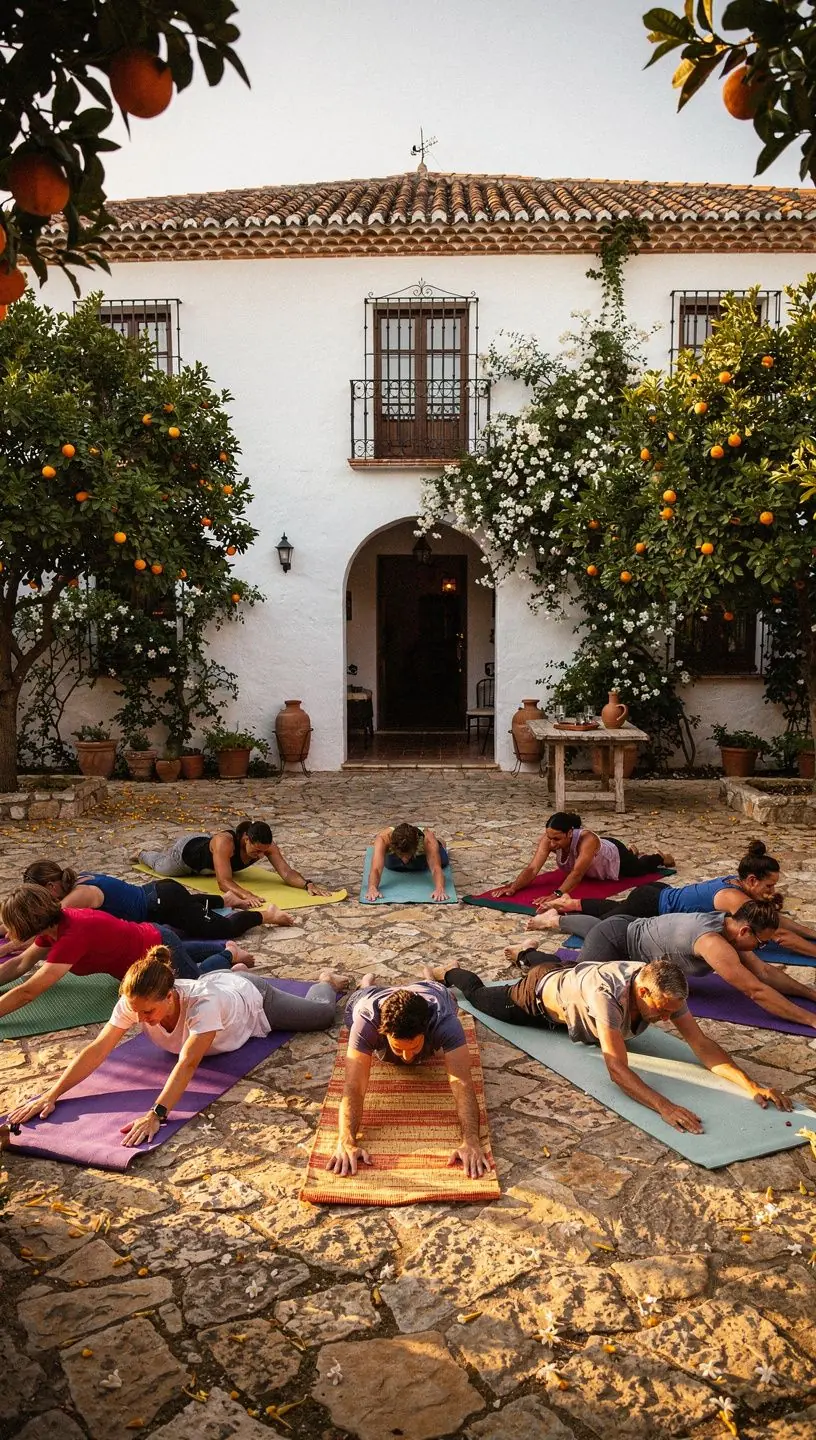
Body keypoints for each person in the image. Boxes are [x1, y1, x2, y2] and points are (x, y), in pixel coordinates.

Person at [6, 947, 350, 1147]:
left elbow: (188, 1063)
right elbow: (99, 1048)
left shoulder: (202, 1006)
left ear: (170, 997)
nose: (141, 1020)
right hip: (219, 984)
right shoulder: (134, 1002)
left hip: (253, 999)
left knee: (321, 1015)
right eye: (136, 1012)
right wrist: (51, 1094)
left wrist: (157, 1114)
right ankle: (235, 966)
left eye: (149, 1012)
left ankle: (324, 982)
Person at [428, 958, 791, 1134]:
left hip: (571, 975)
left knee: (557, 969)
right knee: (477, 996)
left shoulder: (666, 991)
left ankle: (528, 954)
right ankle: (448, 972)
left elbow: (701, 1043)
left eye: (671, 1012)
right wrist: (663, 1106)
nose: (666, 1020)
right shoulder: (608, 996)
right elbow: (616, 1069)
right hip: (533, 1000)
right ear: (642, 991)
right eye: (662, 1011)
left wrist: (750, 1085)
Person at [511, 900, 816, 1032]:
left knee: (602, 927)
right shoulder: (714, 943)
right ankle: (526, 956)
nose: (759, 950)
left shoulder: (731, 929)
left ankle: (556, 922)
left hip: (628, 929)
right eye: (760, 944)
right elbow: (756, 991)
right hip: (619, 942)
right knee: (573, 983)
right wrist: (810, 1020)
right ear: (745, 931)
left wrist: (811, 996)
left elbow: (764, 972)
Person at [0, 884, 251, 1025]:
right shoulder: (53, 930)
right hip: (148, 946)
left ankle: (229, 954)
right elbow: (20, 963)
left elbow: (28, 992)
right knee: (182, 953)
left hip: (155, 948)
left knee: (196, 988)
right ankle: (222, 947)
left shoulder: (72, 934)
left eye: (11, 925)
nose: (8, 932)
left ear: (28, 921)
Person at [526, 839, 816, 959]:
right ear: (752, 880)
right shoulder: (734, 898)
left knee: (615, 909)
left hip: (658, 895)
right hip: (651, 905)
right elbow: (778, 933)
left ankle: (569, 904)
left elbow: (775, 921)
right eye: (768, 885)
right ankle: (559, 918)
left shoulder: (739, 885)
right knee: (604, 927)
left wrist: (813, 935)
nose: (770, 892)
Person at [328, 973, 491, 1178]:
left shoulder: (445, 1022)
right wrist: (346, 1140)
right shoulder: (366, 1021)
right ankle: (366, 984)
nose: (407, 1057)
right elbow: (354, 1087)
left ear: (426, 1031)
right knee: (360, 997)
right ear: (383, 1033)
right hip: (369, 998)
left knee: (441, 991)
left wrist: (471, 1140)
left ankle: (429, 977)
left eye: (413, 1047)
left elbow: (463, 1083)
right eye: (399, 1048)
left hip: (432, 993)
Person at [13, 862, 297, 951]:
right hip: (159, 895)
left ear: (51, 888)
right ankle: (225, 900)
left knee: (220, 929)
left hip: (164, 904)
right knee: (191, 907)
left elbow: (42, 929)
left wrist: (8, 946)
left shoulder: (75, 897)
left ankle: (263, 915)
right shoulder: (75, 880)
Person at [135, 820, 331, 909]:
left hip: (209, 853)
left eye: (265, 851)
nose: (262, 856)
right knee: (161, 866)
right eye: (256, 851)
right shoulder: (225, 843)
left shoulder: (266, 846)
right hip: (186, 855)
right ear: (246, 839)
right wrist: (248, 895)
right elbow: (223, 882)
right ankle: (142, 854)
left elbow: (286, 873)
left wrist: (307, 884)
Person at [491, 812, 674, 904]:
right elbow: (532, 869)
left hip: (614, 857)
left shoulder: (587, 840)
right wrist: (513, 887)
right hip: (597, 857)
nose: (551, 843)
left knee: (640, 869)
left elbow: (577, 873)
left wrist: (556, 895)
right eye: (549, 838)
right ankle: (632, 850)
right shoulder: (549, 839)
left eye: (557, 839)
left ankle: (659, 857)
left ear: (570, 833)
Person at [365, 823, 450, 903]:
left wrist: (439, 888)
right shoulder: (383, 838)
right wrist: (372, 887)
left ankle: (440, 843)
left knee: (442, 860)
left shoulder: (427, 838)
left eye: (408, 855)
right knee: (386, 861)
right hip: (394, 858)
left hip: (420, 856)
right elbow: (376, 868)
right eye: (402, 855)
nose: (405, 860)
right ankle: (398, 854)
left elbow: (435, 868)